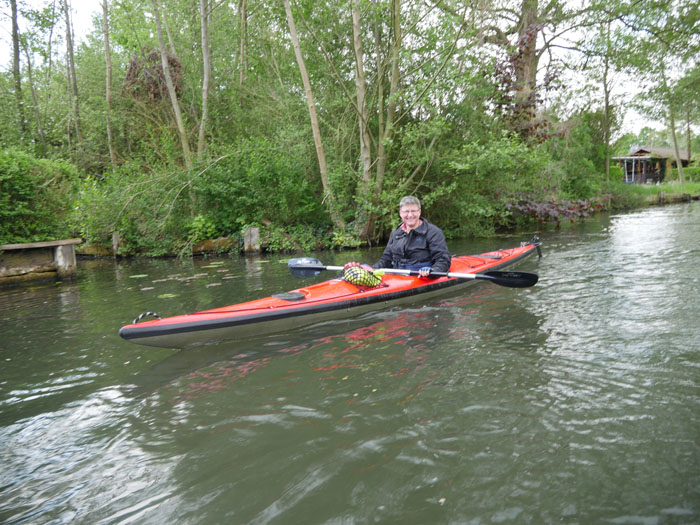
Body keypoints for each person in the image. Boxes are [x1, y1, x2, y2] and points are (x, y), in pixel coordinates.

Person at [373, 195, 451, 278]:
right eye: (406, 211)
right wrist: (372, 269)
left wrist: (432, 271)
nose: (410, 215)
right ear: (400, 213)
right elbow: (386, 259)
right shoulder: (395, 233)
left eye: (413, 211)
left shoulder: (434, 232)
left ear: (419, 212)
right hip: (398, 276)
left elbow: (443, 260)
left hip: (421, 276)